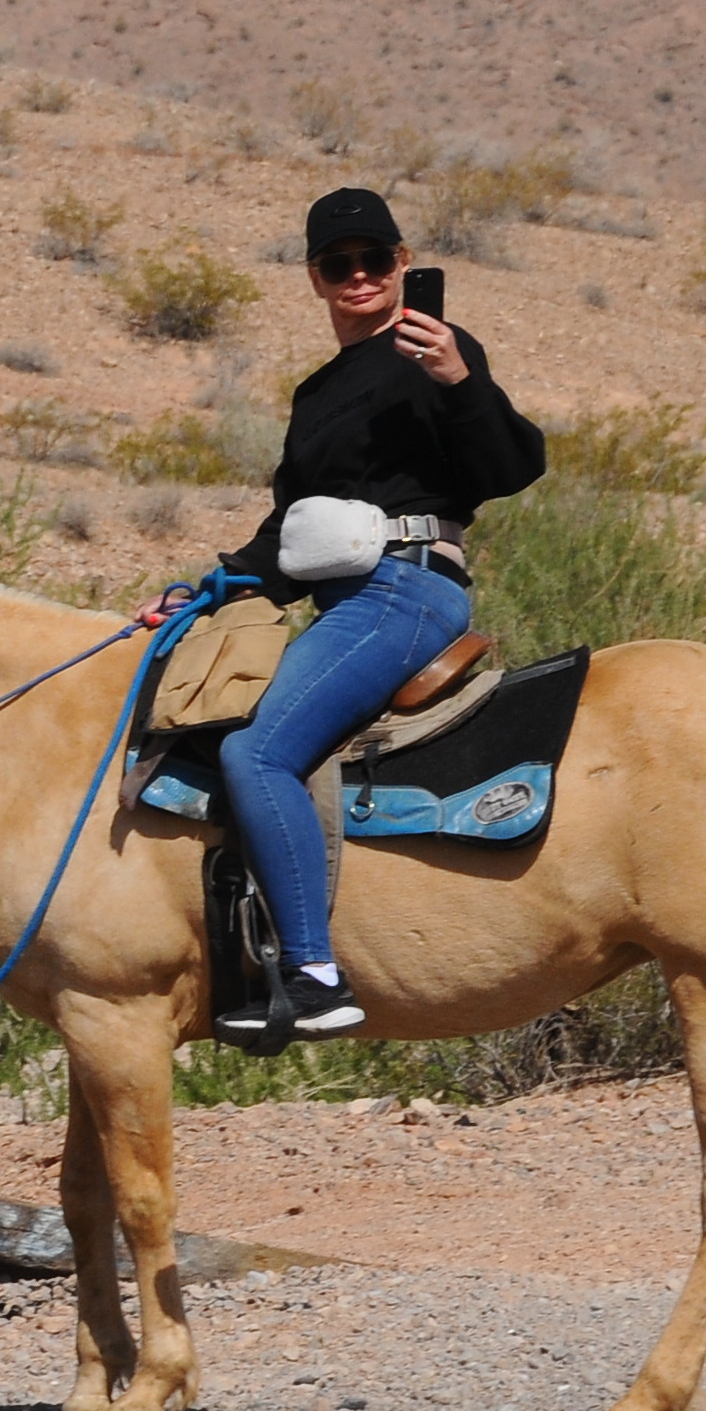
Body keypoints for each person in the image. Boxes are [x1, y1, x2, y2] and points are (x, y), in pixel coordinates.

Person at [164, 186, 545, 1039]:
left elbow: (510, 467)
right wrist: (204, 590)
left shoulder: (436, 352)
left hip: (404, 590)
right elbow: (289, 531)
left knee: (258, 752)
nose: (359, 276)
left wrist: (459, 380)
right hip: (343, 599)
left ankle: (313, 975)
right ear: (316, 278)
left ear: (403, 263)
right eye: (340, 265)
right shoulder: (316, 394)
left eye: (376, 258)